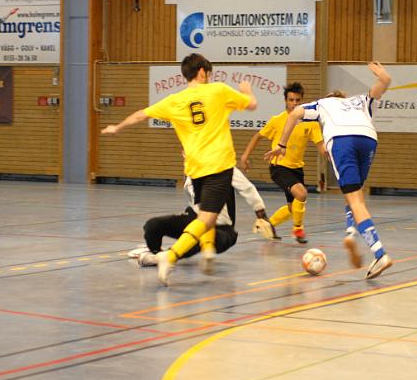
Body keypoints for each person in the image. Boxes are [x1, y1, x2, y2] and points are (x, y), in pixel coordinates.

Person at [101, 53, 257, 286]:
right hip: (218, 165)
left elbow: (140, 114)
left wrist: (118, 127)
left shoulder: (174, 100)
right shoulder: (218, 91)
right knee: (206, 220)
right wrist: (247, 91)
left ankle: (205, 251)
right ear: (203, 72)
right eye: (208, 72)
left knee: (205, 215)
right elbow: (252, 105)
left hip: (195, 169)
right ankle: (170, 256)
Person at [264, 62, 393, 280]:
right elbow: (385, 82)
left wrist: (282, 145)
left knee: (355, 199)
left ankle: (379, 253)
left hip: (343, 140)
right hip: (368, 139)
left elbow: (295, 113)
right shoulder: (360, 100)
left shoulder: (322, 103)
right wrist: (383, 77)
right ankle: (351, 232)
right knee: (355, 194)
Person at [134, 168, 275, 268]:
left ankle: (165, 257)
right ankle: (155, 255)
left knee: (197, 240)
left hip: (222, 230)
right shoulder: (191, 171)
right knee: (153, 225)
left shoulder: (224, 168)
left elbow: (247, 188)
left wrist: (261, 215)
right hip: (195, 220)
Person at [240, 82, 326, 244]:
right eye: (291, 100)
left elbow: (320, 145)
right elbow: (257, 137)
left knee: (293, 208)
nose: (294, 104)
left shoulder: (311, 123)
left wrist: (331, 154)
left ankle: (267, 225)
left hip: (297, 169)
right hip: (278, 167)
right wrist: (245, 156)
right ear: (285, 100)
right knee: (301, 194)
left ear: (302, 101)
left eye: (297, 100)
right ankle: (298, 230)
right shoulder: (277, 120)